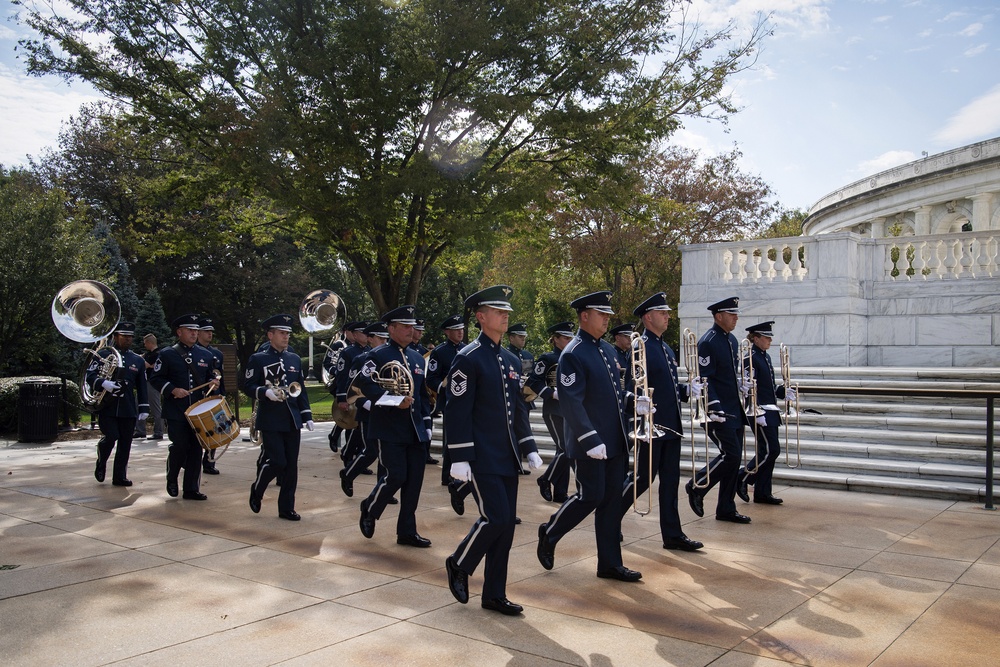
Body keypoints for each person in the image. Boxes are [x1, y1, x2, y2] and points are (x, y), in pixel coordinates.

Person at [536, 290, 647, 582]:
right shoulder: (573, 353)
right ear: (584, 316)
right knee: (591, 496)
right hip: (591, 443)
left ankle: (610, 563)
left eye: (608, 315)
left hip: (615, 439)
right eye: (602, 314)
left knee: (611, 500)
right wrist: (589, 438)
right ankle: (550, 531)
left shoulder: (608, 350)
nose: (607, 319)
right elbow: (571, 401)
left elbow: (613, 393)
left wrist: (633, 402)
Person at [444, 285, 542, 616]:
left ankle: (494, 594)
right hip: (480, 455)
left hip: (507, 456)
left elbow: (518, 408)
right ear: (481, 317)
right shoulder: (467, 358)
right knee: (496, 518)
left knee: (506, 528)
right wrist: (458, 456)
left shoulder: (512, 359)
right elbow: (457, 410)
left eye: (507, 312)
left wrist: (528, 446)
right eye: (498, 312)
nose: (505, 316)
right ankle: (459, 562)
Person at [619, 293, 704, 551]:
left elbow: (667, 387)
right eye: (662, 312)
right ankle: (610, 518)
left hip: (670, 425)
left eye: (667, 312)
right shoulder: (640, 346)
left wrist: (688, 391)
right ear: (648, 317)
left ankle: (673, 535)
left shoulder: (665, 348)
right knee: (643, 479)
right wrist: (639, 409)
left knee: (670, 481)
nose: (668, 316)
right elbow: (632, 386)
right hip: (652, 426)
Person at [356, 305, 433, 546]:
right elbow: (365, 385)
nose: (412, 330)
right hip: (389, 428)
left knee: (414, 483)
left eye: (412, 326)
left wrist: (427, 423)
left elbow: (421, 396)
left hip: (415, 429)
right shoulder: (377, 356)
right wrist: (394, 400)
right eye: (406, 326)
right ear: (391, 329)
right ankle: (370, 507)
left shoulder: (417, 357)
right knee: (396, 476)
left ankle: (407, 531)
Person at [685, 296, 752, 524]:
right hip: (717, 411)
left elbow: (728, 374)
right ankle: (696, 486)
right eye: (731, 314)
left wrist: (742, 384)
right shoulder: (708, 342)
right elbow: (705, 378)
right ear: (718, 316)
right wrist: (713, 406)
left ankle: (726, 507)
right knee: (730, 455)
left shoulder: (732, 340)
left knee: (734, 460)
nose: (736, 318)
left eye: (736, 314)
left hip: (734, 409)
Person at [244, 314, 314, 520]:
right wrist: (264, 393)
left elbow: (300, 388)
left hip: (292, 418)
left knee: (291, 465)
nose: (286, 337)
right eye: (282, 333)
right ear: (270, 335)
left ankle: (286, 508)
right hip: (271, 419)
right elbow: (247, 385)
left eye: (288, 334)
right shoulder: (258, 358)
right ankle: (257, 488)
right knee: (277, 461)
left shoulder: (293, 358)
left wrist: (306, 414)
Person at [148, 314, 220, 501]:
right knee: (179, 446)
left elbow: (208, 379)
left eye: (196, 330)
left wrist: (213, 382)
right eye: (190, 330)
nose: (194, 333)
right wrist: (172, 390)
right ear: (179, 332)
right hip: (176, 411)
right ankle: (172, 478)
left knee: (196, 449)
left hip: (198, 412)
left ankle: (191, 489)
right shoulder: (167, 354)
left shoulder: (205, 355)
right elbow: (155, 378)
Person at [737, 321, 796, 506]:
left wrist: (782, 392)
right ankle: (743, 476)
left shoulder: (765, 357)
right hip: (759, 410)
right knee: (772, 450)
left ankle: (763, 492)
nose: (770, 340)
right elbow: (748, 388)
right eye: (766, 337)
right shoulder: (750, 358)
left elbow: (767, 386)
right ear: (755, 338)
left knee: (767, 451)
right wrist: (755, 410)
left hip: (770, 409)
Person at [87, 321, 148, 487]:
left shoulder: (137, 360)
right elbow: (90, 376)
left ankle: (119, 476)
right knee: (112, 436)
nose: (128, 340)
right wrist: (103, 383)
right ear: (115, 337)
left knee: (125, 443)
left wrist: (144, 406)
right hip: (107, 405)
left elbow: (142, 385)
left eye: (130, 337)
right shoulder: (104, 354)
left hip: (127, 407)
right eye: (124, 336)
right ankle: (102, 459)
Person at [339, 321, 391, 497]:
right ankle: (348, 473)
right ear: (370, 339)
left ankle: (382, 489)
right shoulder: (361, 359)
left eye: (386, 339)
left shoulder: (388, 358)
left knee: (385, 454)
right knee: (371, 452)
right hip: (368, 412)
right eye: (380, 338)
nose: (384, 342)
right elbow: (352, 388)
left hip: (386, 411)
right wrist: (365, 403)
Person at [529, 321, 575, 504]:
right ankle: (545, 479)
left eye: (571, 337)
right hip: (554, 410)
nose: (569, 341)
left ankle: (560, 493)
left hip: (570, 410)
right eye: (565, 338)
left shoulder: (573, 357)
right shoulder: (547, 358)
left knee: (563, 451)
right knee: (566, 449)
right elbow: (534, 381)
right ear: (555, 339)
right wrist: (551, 393)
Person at [426, 314, 466, 487]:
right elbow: (431, 378)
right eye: (456, 330)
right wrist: (444, 388)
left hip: (468, 400)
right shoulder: (439, 352)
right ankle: (447, 475)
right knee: (452, 439)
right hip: (450, 400)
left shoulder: (468, 349)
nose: (460, 332)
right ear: (446, 332)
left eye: (461, 329)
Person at [334, 321, 369, 464]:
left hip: (365, 394)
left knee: (361, 429)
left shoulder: (370, 351)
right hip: (352, 394)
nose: (366, 335)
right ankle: (348, 455)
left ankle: (358, 457)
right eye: (362, 333)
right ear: (354, 335)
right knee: (352, 426)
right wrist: (342, 398)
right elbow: (342, 376)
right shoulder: (348, 352)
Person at [197, 317, 226, 475]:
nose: (210, 334)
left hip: (214, 396)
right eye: (206, 331)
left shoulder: (216, 354)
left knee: (215, 430)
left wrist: (222, 394)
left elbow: (220, 376)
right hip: (197, 397)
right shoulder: (192, 352)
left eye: (211, 332)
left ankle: (209, 462)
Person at [323, 322, 350, 453]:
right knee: (346, 412)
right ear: (346, 331)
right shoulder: (338, 345)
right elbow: (327, 363)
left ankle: (348, 447)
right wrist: (337, 370)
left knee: (352, 414)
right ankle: (335, 436)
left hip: (353, 384)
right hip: (339, 383)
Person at [141, 333, 165, 440]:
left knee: (155, 407)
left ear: (150, 343)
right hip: (145, 382)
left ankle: (159, 431)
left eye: (145, 343)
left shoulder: (158, 354)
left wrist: (148, 364)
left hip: (153, 383)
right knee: (139, 404)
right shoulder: (148, 354)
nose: (144, 345)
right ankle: (140, 430)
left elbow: (145, 365)